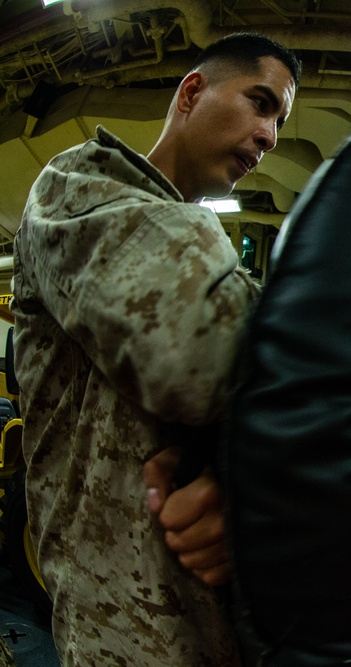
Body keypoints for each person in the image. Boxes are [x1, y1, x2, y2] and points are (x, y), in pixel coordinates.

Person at [11, 33, 300, 665]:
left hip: (224, 622)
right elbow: (198, 361)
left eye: (278, 120)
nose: (270, 135)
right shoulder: (77, 186)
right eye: (260, 104)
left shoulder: (211, 261)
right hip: (126, 631)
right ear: (192, 92)